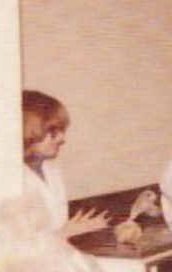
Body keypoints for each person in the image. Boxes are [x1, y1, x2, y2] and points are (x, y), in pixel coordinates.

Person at [22, 90, 110, 238]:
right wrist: (65, 233)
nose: (62, 138)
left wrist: (79, 228)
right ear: (28, 130)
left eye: (61, 130)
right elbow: (14, 252)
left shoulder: (51, 170)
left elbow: (54, 230)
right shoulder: (12, 178)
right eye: (53, 131)